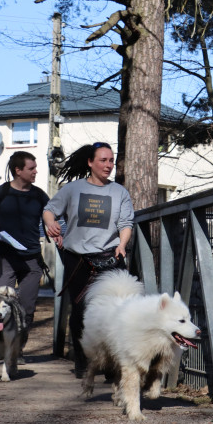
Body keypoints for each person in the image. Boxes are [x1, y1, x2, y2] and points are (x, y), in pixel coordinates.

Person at [42, 142, 134, 376]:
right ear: (90, 163)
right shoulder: (72, 190)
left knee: (115, 311)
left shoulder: (120, 192)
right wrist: (51, 222)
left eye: (111, 160)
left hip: (110, 257)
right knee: (81, 310)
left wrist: (122, 244)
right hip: (79, 261)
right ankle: (83, 363)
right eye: (103, 160)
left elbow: (125, 224)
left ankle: (113, 365)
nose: (108, 165)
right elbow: (49, 209)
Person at [0, 151, 50, 334]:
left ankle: (18, 349)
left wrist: (54, 228)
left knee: (27, 309)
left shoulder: (39, 195)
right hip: (5, 258)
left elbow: (51, 216)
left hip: (32, 260)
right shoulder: (1, 193)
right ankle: (5, 347)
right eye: (31, 168)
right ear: (18, 170)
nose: (35, 172)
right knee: (3, 307)